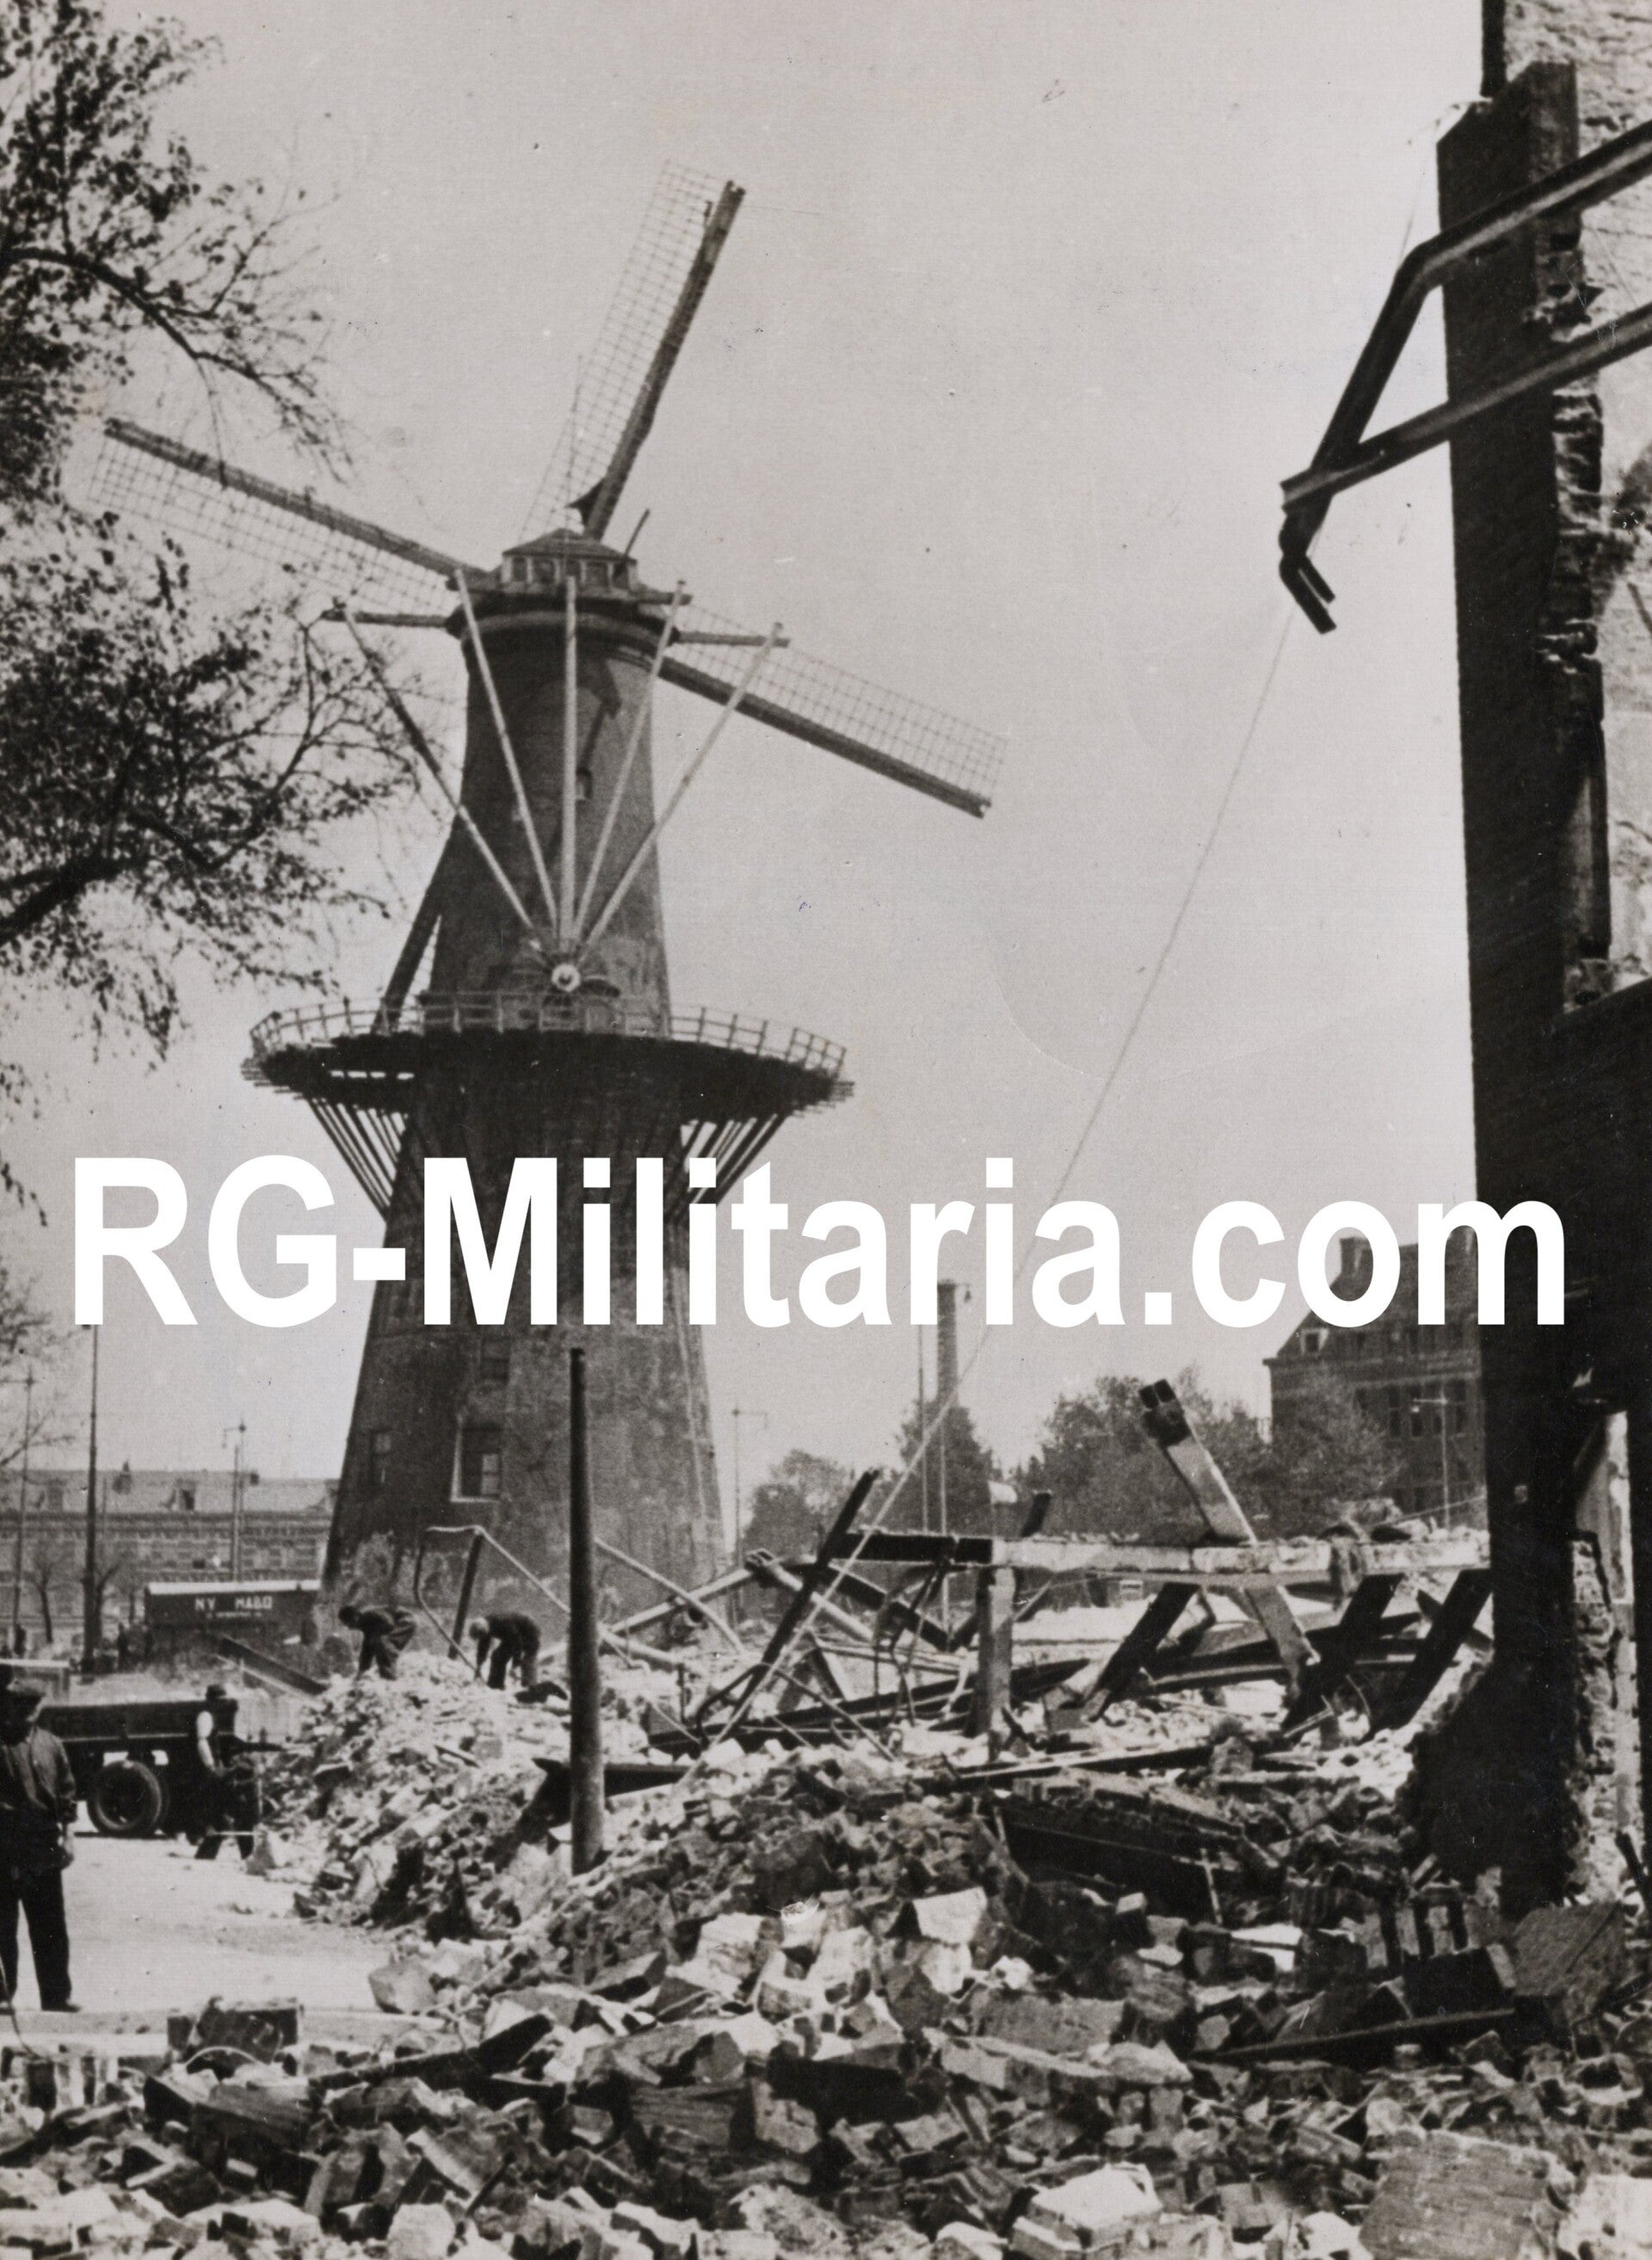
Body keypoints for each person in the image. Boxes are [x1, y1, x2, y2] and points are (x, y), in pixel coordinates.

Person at [0, 1682, 77, 2011]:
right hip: (5, 1844)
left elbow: (67, 1794)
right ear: (9, 1706)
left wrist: (69, 1836)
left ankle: (56, 1996)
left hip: (44, 1844)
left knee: (50, 1926)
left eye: (34, 1703)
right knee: (3, 1924)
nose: (28, 1709)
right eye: (21, 1703)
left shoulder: (53, 1745)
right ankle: (3, 1997)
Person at [338, 1601, 416, 1679]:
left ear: (355, 1617)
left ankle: (389, 1677)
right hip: (400, 1622)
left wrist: (375, 1636)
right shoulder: (365, 1623)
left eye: (349, 1624)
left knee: (382, 1643)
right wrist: (361, 1671)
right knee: (377, 1643)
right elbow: (367, 1649)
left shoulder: (370, 1615)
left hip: (406, 1620)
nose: (350, 1627)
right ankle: (387, 1675)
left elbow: (389, 1624)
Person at [471, 1610, 541, 1690]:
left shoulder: (503, 1622)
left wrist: (515, 1665)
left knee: (528, 1659)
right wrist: (479, 1666)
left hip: (530, 1633)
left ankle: (530, 1688)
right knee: (497, 1657)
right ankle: (495, 1685)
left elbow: (517, 1643)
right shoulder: (485, 1626)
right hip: (511, 1637)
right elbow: (483, 1647)